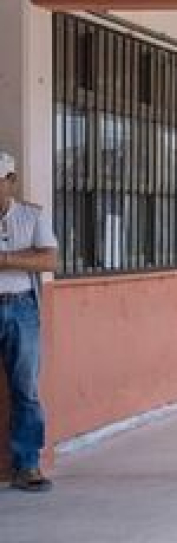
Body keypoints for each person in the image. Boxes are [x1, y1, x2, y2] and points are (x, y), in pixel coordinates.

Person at [0, 150, 58, 492]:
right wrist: (23, 257)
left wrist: (5, 260)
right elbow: (35, 257)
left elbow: (49, 259)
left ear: (11, 181)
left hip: (21, 307)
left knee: (26, 389)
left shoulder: (32, 216)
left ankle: (27, 465)